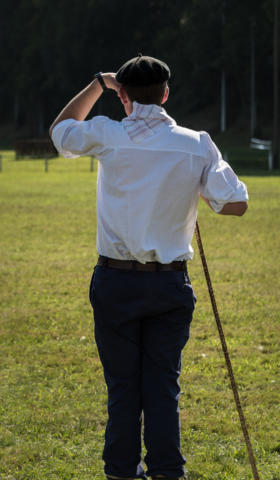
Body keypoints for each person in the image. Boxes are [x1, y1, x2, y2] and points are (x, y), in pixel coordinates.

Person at [49, 55, 249, 480]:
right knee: (163, 387)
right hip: (169, 285)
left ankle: (121, 471)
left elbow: (60, 131)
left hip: (115, 281)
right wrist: (196, 193)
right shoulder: (196, 143)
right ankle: (167, 471)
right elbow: (236, 204)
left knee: (123, 388)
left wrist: (96, 85)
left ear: (123, 95)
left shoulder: (108, 134)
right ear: (166, 93)